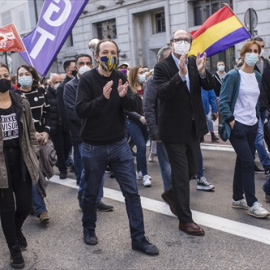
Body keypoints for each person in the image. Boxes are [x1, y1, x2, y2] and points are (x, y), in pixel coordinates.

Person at [76, 39, 159, 255]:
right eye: (105, 52)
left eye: (113, 52)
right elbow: (81, 111)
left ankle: (138, 238)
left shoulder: (120, 76)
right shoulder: (87, 80)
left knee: (132, 193)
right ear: (96, 56)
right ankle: (89, 228)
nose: (109, 56)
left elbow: (134, 105)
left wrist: (124, 97)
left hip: (119, 145)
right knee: (91, 193)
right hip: (93, 147)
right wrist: (102, 99)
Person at [154, 29, 215, 236]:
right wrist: (180, 76)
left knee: (191, 170)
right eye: (178, 40)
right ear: (171, 44)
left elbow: (211, 86)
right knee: (181, 174)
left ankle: (171, 194)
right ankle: (185, 220)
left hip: (193, 127)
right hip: (172, 129)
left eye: (186, 40)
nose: (182, 43)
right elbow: (161, 93)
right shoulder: (162, 66)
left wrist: (203, 71)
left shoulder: (193, 62)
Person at [219, 40, 269, 218]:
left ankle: (236, 197)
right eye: (250, 51)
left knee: (242, 161)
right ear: (243, 54)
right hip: (237, 125)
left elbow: (255, 101)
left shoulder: (257, 76)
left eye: (256, 51)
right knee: (248, 162)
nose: (253, 54)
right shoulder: (233, 75)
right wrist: (232, 121)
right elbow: (223, 101)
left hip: (252, 125)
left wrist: (256, 119)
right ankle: (252, 202)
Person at [0, 62, 39, 269]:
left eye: (6, 75)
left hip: (21, 160)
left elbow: (31, 132)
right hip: (1, 164)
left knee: (24, 205)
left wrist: (35, 152)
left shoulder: (21, 102)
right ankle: (14, 249)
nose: (3, 79)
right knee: (6, 208)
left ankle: (16, 229)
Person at [64, 53, 113, 211]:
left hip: (101, 135)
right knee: (88, 170)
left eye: (88, 62)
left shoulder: (98, 83)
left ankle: (97, 199)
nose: (85, 65)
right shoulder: (70, 87)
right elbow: (74, 112)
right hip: (82, 136)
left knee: (100, 169)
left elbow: (106, 107)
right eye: (81, 63)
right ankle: (83, 195)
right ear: (76, 67)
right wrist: (96, 115)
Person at [17, 65, 51, 224]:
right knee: (32, 174)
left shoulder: (43, 92)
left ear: (33, 76)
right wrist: (32, 133)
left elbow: (49, 115)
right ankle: (41, 209)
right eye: (20, 74)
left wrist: (46, 132)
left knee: (42, 173)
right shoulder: (14, 96)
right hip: (25, 142)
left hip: (42, 141)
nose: (24, 76)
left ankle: (31, 203)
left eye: (26, 73)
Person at [144, 45, 172, 193]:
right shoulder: (152, 81)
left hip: (179, 130)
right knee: (167, 166)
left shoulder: (179, 77)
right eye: (169, 58)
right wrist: (154, 132)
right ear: (160, 61)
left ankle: (177, 192)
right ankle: (170, 194)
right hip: (163, 131)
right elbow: (148, 107)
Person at [126, 66, 151, 187]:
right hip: (133, 121)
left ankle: (139, 172)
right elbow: (125, 109)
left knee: (143, 147)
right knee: (141, 146)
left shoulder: (146, 86)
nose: (143, 75)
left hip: (145, 121)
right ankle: (145, 175)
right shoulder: (128, 89)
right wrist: (139, 117)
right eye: (140, 73)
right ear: (134, 74)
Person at [57, 60, 76, 177]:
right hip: (67, 125)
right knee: (64, 148)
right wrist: (67, 125)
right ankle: (62, 168)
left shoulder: (76, 83)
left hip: (74, 124)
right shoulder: (63, 87)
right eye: (75, 67)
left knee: (70, 148)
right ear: (69, 70)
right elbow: (62, 108)